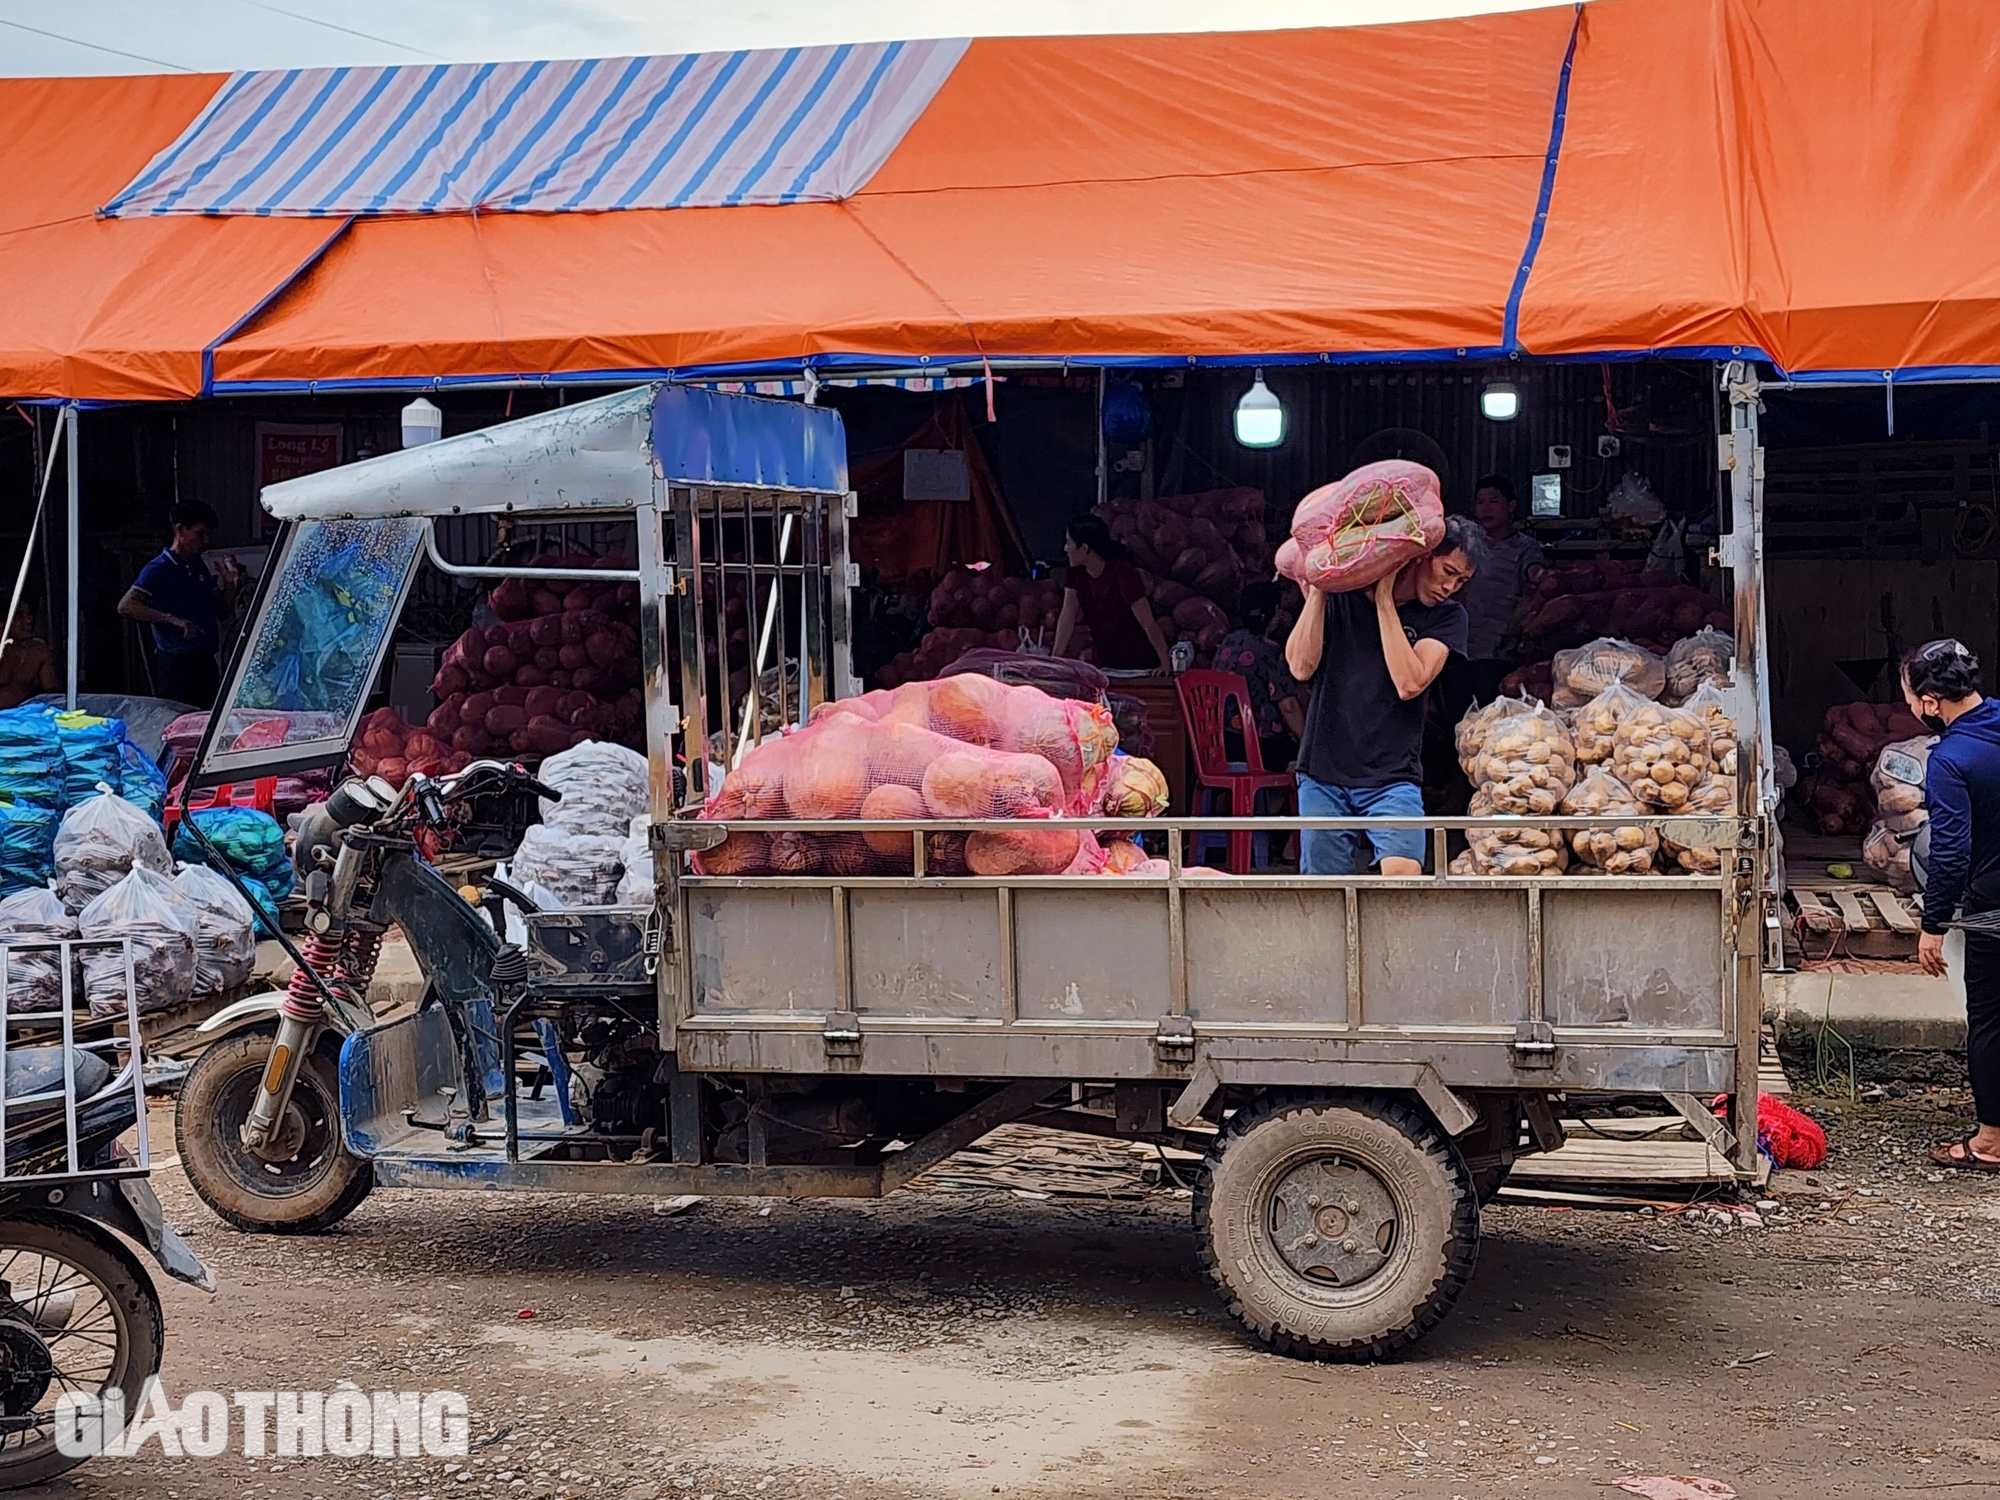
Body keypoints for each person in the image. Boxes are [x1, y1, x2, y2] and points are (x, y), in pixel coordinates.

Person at [1285, 516, 1486, 875]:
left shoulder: (1447, 617)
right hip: (1323, 772)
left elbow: (1410, 682)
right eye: (1448, 571)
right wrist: (1319, 585)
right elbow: (1300, 667)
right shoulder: (1342, 596)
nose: (1450, 587)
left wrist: (1384, 601)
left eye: (1461, 581)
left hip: (1393, 777)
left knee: (1403, 879)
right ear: (1421, 555)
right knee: (1323, 893)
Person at [1904, 639, 2000, 1170]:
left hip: (1993, 902)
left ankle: (1989, 1142)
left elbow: (1951, 850)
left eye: (1911, 700)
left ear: (1931, 702)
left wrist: (1933, 923)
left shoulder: (1950, 759)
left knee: (1989, 1019)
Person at [117, 500, 241, 708]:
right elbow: (126, 606)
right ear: (180, 529)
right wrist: (170, 619)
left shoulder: (199, 566)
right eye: (200, 534)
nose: (206, 541)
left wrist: (230, 586)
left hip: (205, 660)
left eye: (208, 534)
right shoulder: (159, 568)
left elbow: (221, 612)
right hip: (176, 665)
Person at [1455, 474, 1544, 703]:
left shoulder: (1525, 547)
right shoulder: (1464, 544)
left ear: (1511, 506)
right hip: (1458, 646)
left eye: (1493, 502)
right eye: (1480, 502)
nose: (1485, 509)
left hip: (1498, 650)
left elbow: (1536, 576)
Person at [1052, 515, 1173, 672]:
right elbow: (1067, 616)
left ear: (1084, 548)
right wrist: (1054, 659)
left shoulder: (1122, 572)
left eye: (1069, 543)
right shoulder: (1075, 574)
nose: (1065, 549)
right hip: (1105, 661)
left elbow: (1147, 621)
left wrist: (1165, 663)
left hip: (1138, 661)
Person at [1214, 581, 1305, 770]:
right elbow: (1288, 706)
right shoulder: (1268, 650)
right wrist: (1306, 741)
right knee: (1305, 762)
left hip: (1220, 744)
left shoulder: (1228, 642)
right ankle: (1270, 800)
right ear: (1274, 613)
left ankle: (1252, 800)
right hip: (1256, 747)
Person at [0, 605, 57, 710]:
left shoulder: (38, 649)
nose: (28, 621)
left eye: (29, 615)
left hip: (24, 715)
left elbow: (52, 690)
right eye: (19, 617)